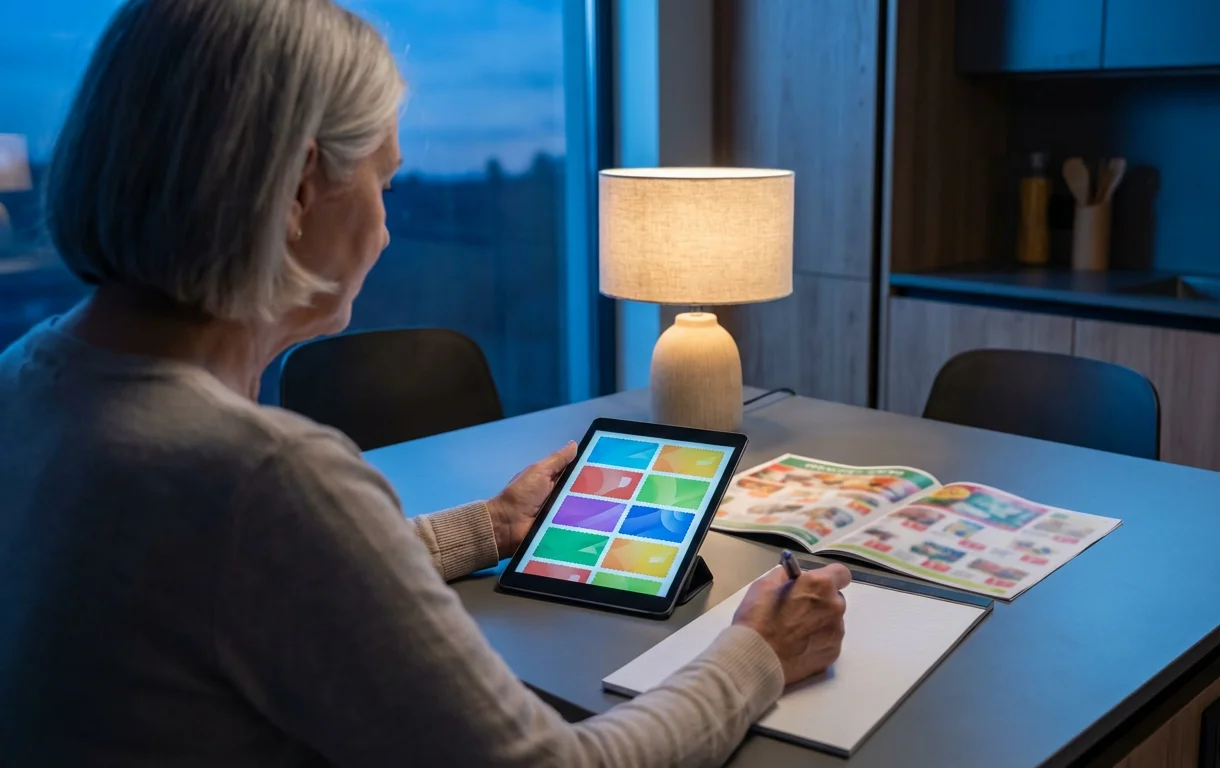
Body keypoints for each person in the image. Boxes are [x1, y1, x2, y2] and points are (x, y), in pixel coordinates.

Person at [0, 1, 850, 765]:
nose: (385, 230)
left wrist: (492, 524)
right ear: (299, 189)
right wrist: (756, 655)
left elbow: (254, 578)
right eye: (385, 183)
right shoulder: (264, 477)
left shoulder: (28, 379)